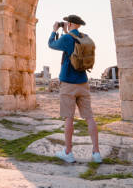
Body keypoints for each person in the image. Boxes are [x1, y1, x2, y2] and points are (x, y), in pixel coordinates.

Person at [49, 14, 101, 163]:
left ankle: (68, 152)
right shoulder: (85, 38)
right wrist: (67, 31)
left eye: (67, 23)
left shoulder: (66, 39)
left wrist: (54, 30)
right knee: (89, 117)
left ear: (70, 23)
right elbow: (73, 44)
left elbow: (51, 44)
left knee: (69, 118)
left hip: (68, 84)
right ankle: (96, 153)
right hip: (83, 83)